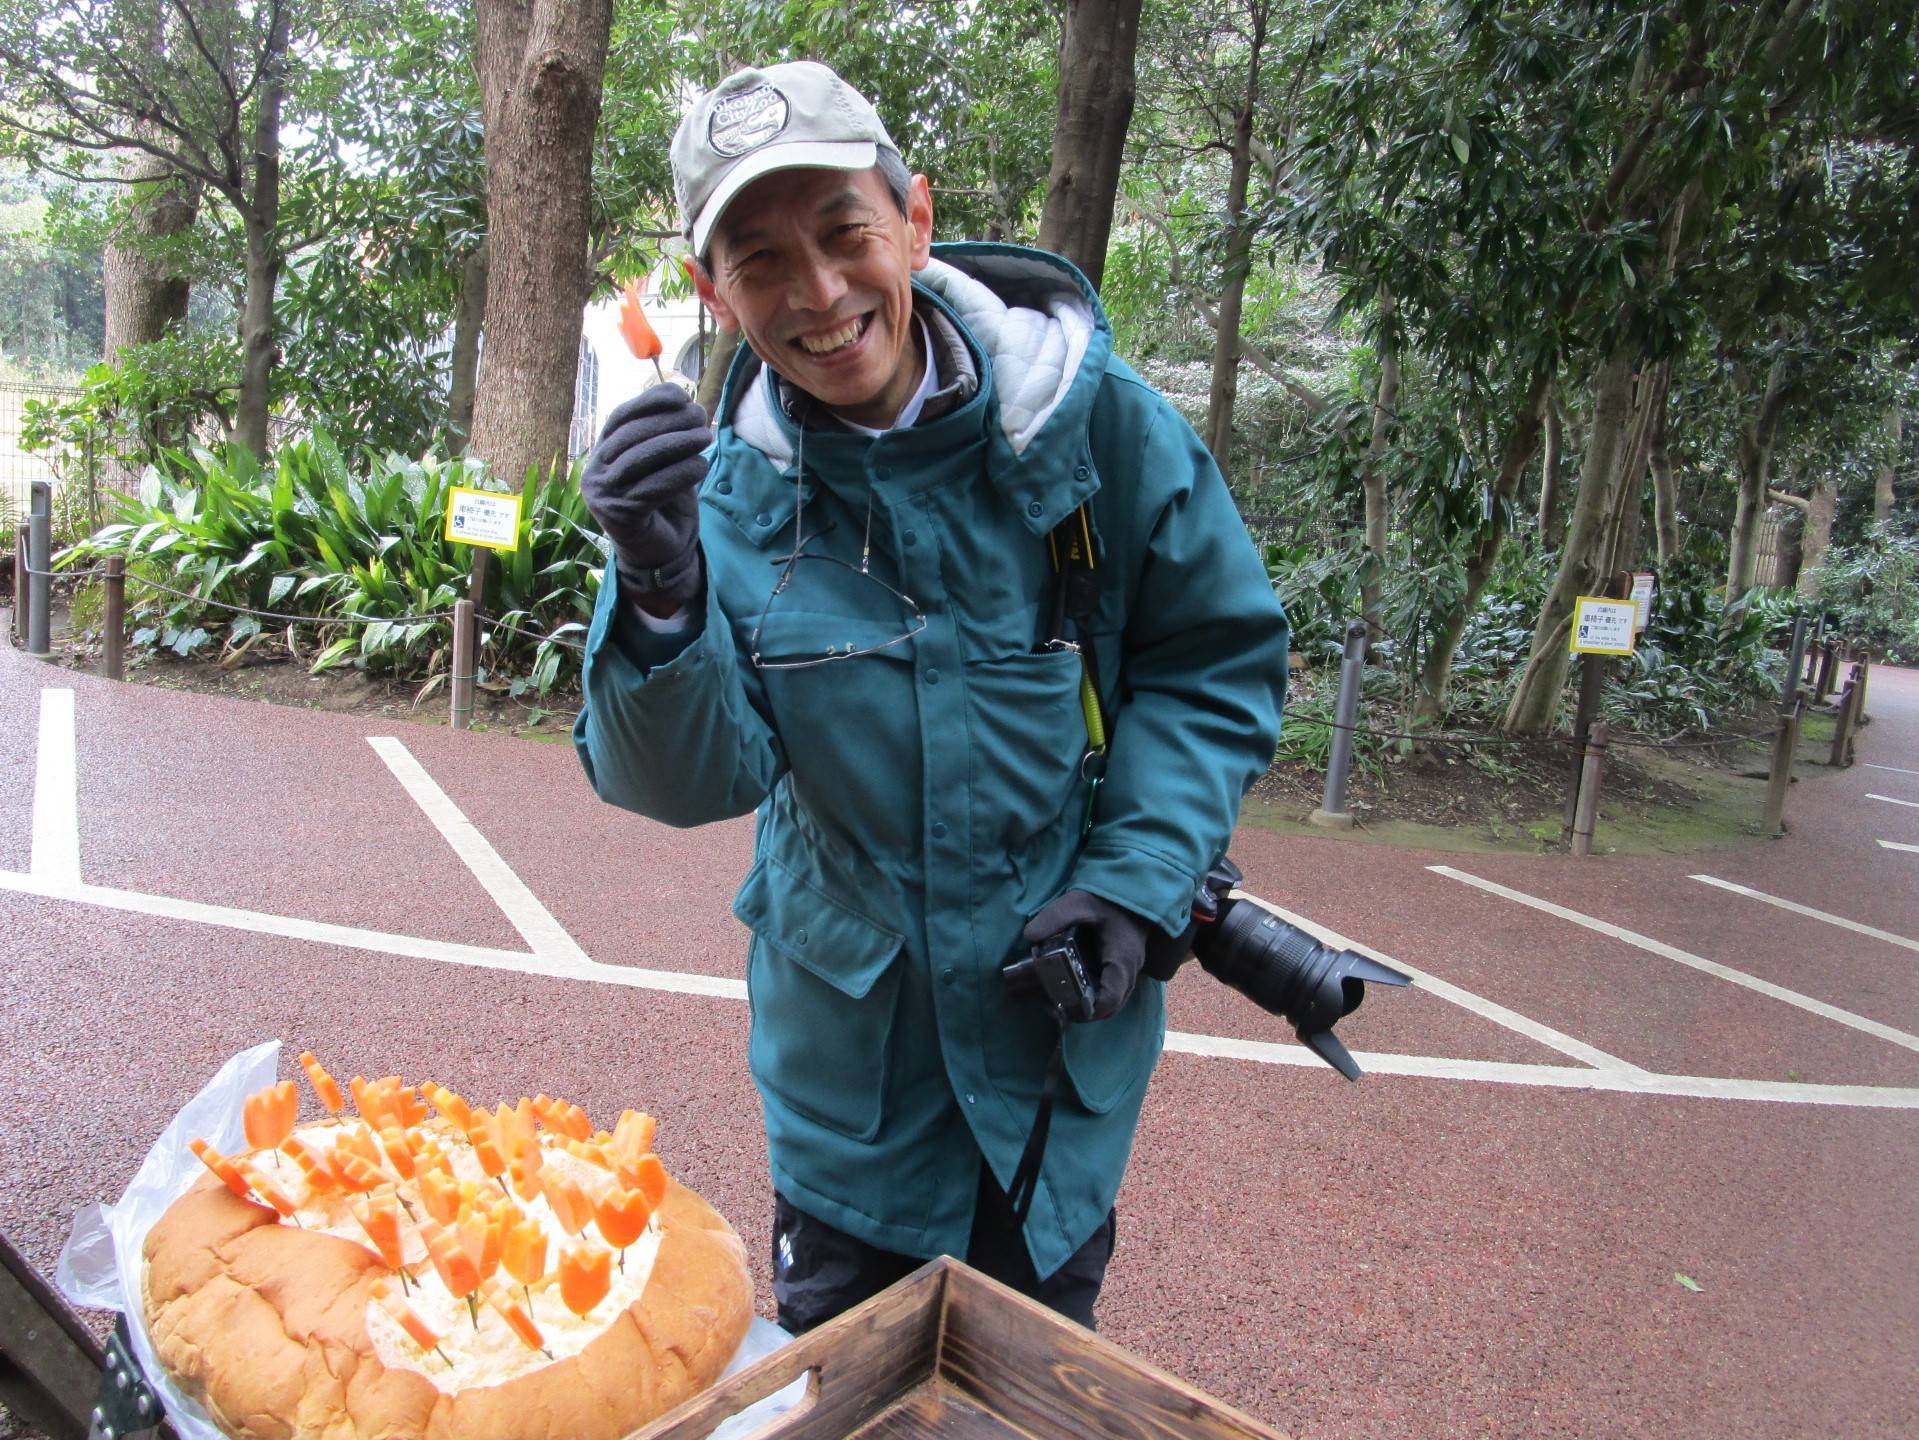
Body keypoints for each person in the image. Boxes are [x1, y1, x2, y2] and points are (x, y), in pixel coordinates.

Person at [573, 59, 1287, 1334]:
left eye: (844, 232)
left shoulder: (1095, 432)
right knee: (841, 1394)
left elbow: (1211, 664)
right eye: (758, 262)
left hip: (1056, 1068)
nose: (818, 292)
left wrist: (1135, 883)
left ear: (913, 216)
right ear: (711, 295)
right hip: (853, 1100)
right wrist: (662, 589)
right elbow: (689, 782)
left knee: (1024, 1395)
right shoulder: (723, 494)